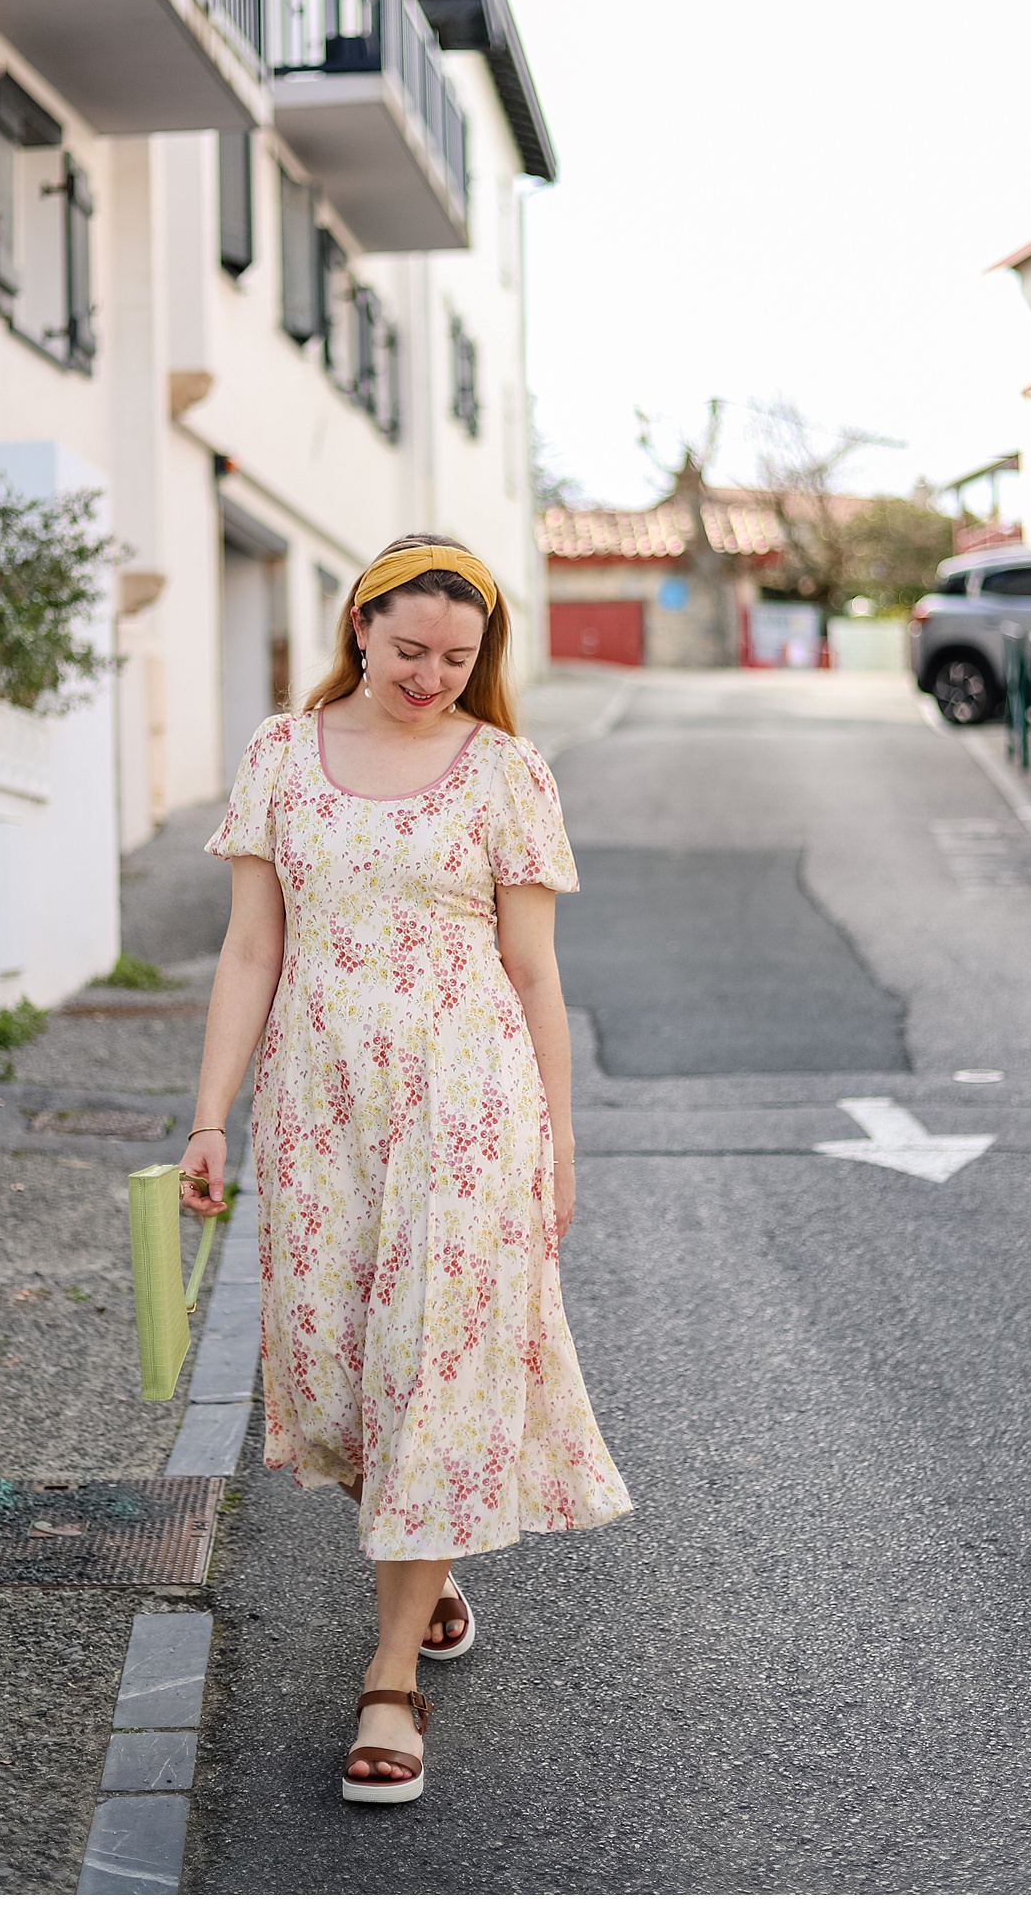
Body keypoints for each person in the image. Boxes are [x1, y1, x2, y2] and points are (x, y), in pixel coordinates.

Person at [180, 532, 630, 1805]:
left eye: (459, 656)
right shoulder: (281, 754)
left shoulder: (506, 771)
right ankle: (423, 1559)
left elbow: (533, 971)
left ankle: (389, 1677)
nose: (432, 674)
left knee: (434, 1365)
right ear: (360, 627)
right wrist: (209, 1116)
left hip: (468, 1106)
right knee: (338, 1379)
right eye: (411, 647)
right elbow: (250, 949)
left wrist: (558, 1139)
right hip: (318, 1105)